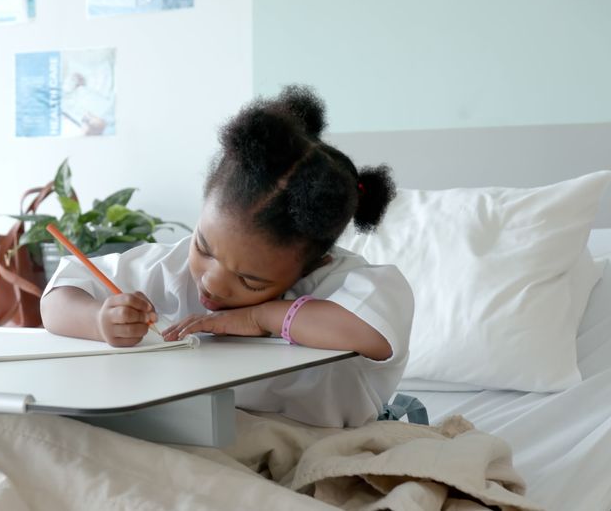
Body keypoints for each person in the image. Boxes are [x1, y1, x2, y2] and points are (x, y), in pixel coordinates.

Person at [41, 85, 413, 428]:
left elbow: (371, 332)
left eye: (250, 280)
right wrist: (98, 320)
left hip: (312, 437)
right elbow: (59, 295)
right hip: (200, 431)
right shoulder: (168, 269)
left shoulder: (348, 284)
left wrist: (258, 316)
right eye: (203, 246)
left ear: (315, 263)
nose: (211, 281)